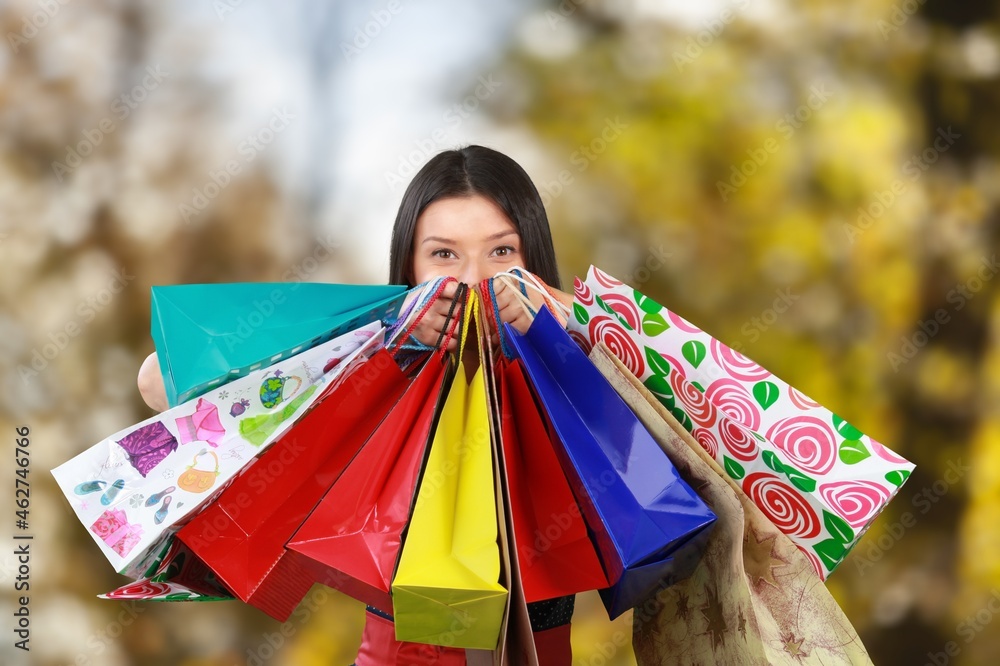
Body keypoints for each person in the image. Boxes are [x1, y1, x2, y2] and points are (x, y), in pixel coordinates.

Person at [136, 144, 577, 664]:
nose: (474, 279)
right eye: (444, 254)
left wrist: (564, 320)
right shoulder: (383, 368)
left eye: (501, 251)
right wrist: (390, 329)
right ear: (411, 268)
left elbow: (688, 394)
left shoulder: (580, 368)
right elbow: (154, 381)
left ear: (532, 258)